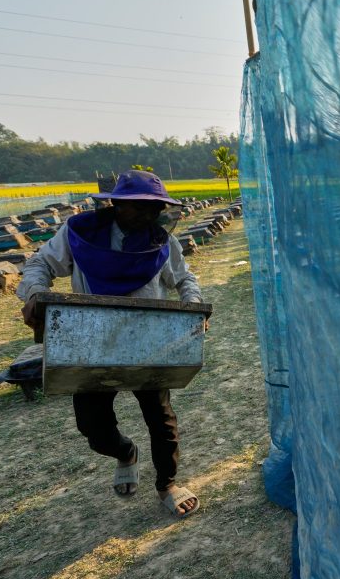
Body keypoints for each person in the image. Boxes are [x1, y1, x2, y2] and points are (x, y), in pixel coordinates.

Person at [17, 170, 205, 518]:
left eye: (155, 208)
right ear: (116, 204)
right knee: (93, 426)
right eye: (138, 207)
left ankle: (167, 483)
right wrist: (34, 293)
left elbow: (185, 278)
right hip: (92, 344)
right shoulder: (80, 234)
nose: (148, 215)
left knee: (161, 420)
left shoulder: (162, 242)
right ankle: (124, 452)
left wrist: (194, 307)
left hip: (150, 342)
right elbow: (41, 263)